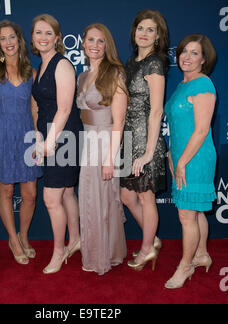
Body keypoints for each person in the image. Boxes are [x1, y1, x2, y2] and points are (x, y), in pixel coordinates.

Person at [0, 20, 42, 265]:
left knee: (30, 194)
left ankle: (24, 235)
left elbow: (34, 108)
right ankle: (13, 240)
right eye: (2, 38)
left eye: (11, 37)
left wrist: (38, 138)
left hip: (27, 136)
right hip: (1, 138)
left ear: (19, 39)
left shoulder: (32, 72)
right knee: (5, 191)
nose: (7, 42)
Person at [31, 14, 83, 274]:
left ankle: (59, 251)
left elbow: (64, 108)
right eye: (38, 33)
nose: (42, 38)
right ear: (32, 37)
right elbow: (42, 108)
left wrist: (49, 142)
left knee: (51, 197)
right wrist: (39, 136)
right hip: (51, 134)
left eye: (48, 33)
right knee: (66, 193)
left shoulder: (62, 64)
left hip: (64, 136)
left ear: (57, 37)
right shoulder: (41, 65)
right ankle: (75, 239)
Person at [164, 34, 217, 289]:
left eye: (194, 53)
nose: (187, 56)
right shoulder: (182, 85)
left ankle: (185, 266)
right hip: (182, 155)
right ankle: (201, 254)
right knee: (194, 211)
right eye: (184, 51)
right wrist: (172, 155)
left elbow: (201, 130)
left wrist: (183, 160)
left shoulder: (203, 85)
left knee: (186, 215)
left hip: (196, 158)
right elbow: (177, 126)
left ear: (204, 59)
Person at [77, 23, 128, 275]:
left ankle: (105, 256)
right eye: (90, 40)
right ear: (83, 43)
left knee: (104, 199)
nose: (94, 45)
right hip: (88, 141)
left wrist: (110, 159)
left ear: (107, 45)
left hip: (107, 140)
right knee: (89, 199)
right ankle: (98, 252)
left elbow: (118, 121)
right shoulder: (82, 77)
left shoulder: (115, 73)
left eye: (100, 41)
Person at [120, 9, 169, 271]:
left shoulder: (154, 63)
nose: (144, 33)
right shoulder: (131, 62)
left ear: (158, 36)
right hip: (127, 141)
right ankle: (154, 239)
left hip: (145, 141)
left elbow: (157, 111)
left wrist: (148, 153)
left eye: (151, 29)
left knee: (147, 199)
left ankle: (147, 248)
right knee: (127, 196)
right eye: (141, 28)